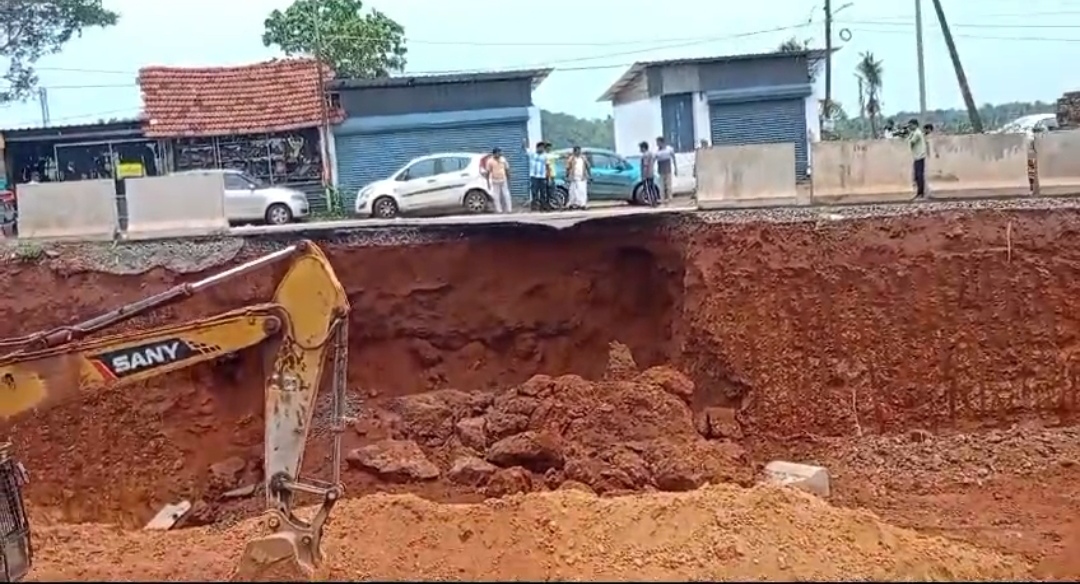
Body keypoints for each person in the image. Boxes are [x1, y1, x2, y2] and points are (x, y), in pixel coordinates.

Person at [483, 147, 512, 213]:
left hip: (503, 179)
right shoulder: (490, 161)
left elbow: (507, 169)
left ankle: (509, 209)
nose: (499, 154)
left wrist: (509, 177)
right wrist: (488, 182)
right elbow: (488, 172)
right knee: (496, 195)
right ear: (494, 154)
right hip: (495, 180)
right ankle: (499, 210)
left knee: (506, 194)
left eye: (500, 152)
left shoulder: (503, 159)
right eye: (498, 153)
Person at [907, 118, 928, 200]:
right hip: (918, 156)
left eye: (911, 125)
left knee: (919, 176)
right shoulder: (915, 132)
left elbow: (911, 142)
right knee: (917, 176)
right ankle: (919, 192)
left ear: (915, 125)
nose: (910, 127)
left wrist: (908, 135)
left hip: (919, 156)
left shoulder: (917, 133)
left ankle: (920, 193)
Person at [525, 140, 548, 211]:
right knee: (534, 192)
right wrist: (524, 143)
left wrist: (547, 176)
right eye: (541, 147)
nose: (542, 149)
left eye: (543, 148)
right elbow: (526, 149)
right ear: (537, 148)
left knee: (543, 192)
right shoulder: (532, 154)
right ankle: (534, 207)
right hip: (534, 176)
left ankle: (543, 207)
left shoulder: (545, 156)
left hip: (542, 177)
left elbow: (547, 166)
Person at [654, 136, 677, 203]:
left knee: (668, 185)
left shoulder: (669, 149)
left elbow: (674, 159)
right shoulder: (656, 151)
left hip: (668, 169)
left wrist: (675, 168)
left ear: (662, 142)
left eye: (658, 142)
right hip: (660, 170)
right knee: (661, 185)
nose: (657, 144)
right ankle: (662, 199)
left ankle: (670, 198)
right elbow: (654, 160)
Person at [638, 141, 659, 207]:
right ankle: (655, 201)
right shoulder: (651, 154)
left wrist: (644, 175)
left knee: (648, 189)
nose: (640, 149)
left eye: (640, 148)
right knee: (652, 187)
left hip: (647, 174)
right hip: (651, 173)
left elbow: (645, 165)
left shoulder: (645, 155)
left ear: (643, 148)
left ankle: (652, 202)